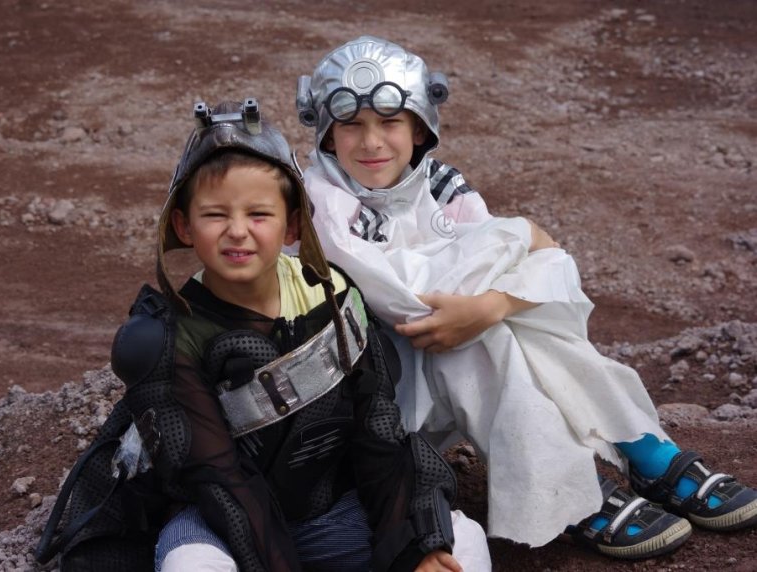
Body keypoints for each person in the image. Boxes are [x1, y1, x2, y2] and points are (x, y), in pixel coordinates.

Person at [295, 36, 757, 560]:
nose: (371, 141)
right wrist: (521, 236)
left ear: (420, 127)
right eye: (351, 125)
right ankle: (585, 486)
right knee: (478, 337)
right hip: (373, 406)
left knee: (504, 323)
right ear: (327, 135)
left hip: (435, 376)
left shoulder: (437, 185)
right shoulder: (321, 201)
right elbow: (412, 300)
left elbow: (552, 267)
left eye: (389, 122)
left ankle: (642, 454)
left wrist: (493, 304)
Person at [147, 98, 492, 572]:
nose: (238, 231)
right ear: (183, 225)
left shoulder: (334, 295)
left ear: (292, 223)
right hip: (219, 526)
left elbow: (379, 436)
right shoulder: (166, 335)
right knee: (190, 564)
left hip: (334, 516)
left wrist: (418, 546)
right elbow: (218, 477)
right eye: (215, 215)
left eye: (259, 214)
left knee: (459, 540)